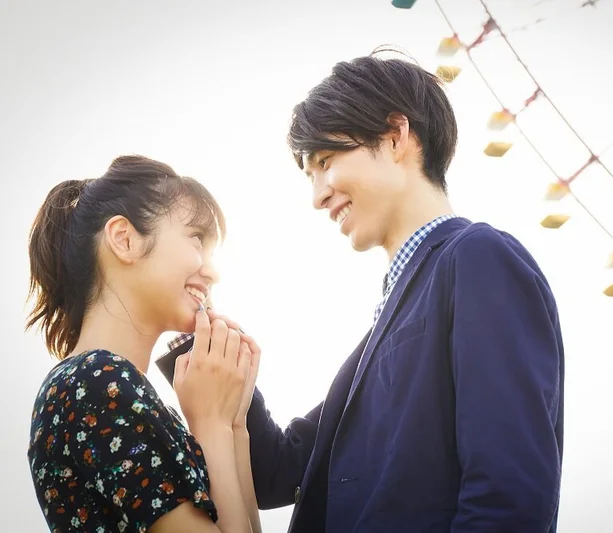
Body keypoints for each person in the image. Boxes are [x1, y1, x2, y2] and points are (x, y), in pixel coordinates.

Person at [160, 50, 565, 532]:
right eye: (311, 175)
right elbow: (279, 472)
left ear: (396, 136)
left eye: (326, 161)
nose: (318, 196)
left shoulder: (478, 258)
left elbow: (509, 496)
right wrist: (202, 338)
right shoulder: (383, 327)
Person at [26, 155, 263, 533]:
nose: (213, 272)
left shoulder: (107, 385)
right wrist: (211, 423)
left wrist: (233, 424)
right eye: (197, 239)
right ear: (124, 239)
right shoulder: (94, 382)